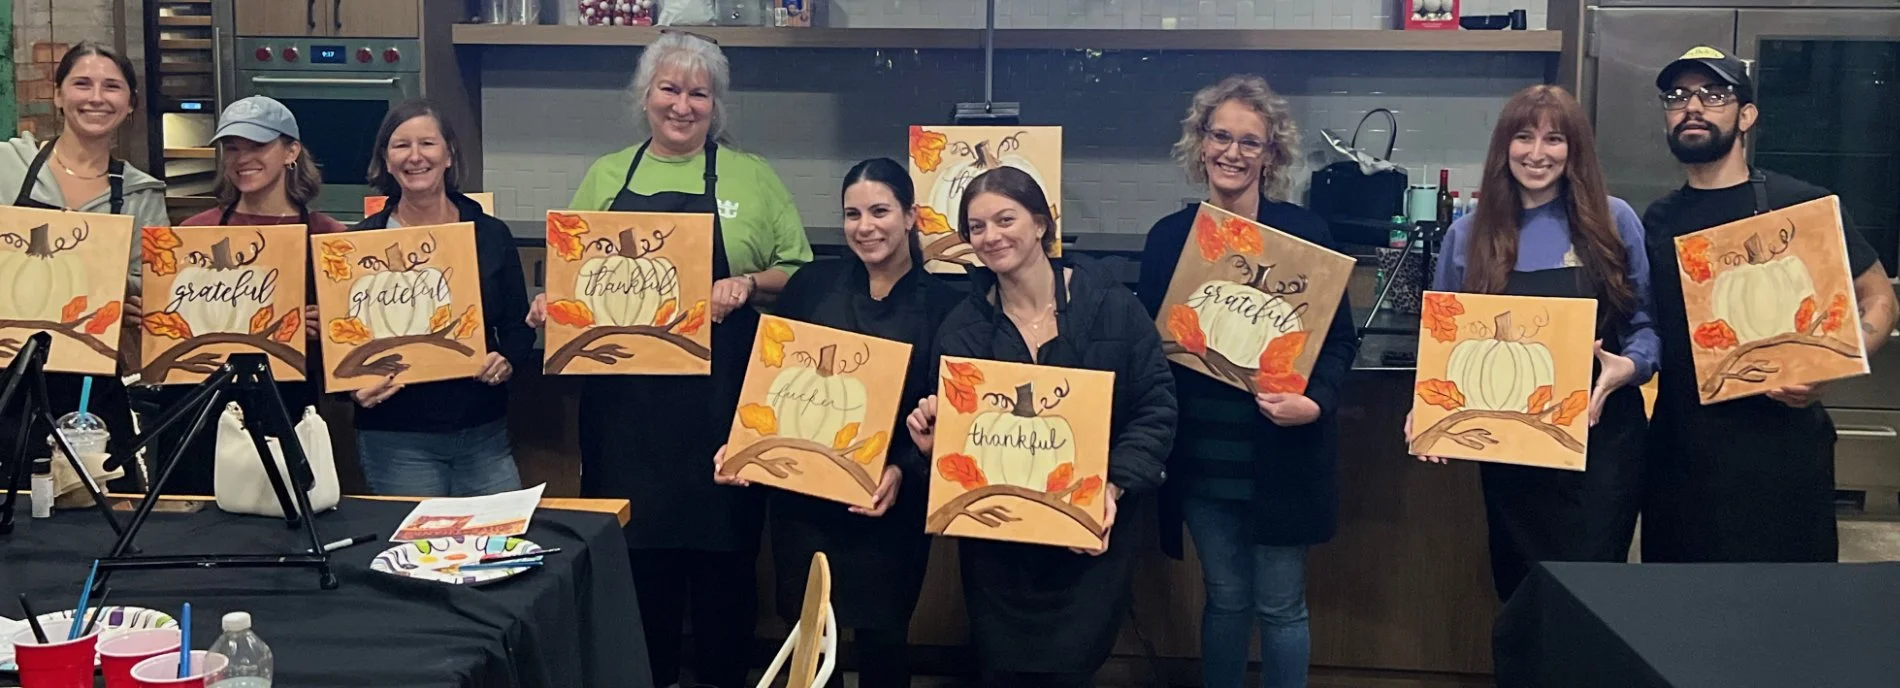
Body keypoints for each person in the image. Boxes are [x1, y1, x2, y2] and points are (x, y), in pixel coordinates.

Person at [523, 30, 812, 688]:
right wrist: (552, 304)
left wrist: (746, 285)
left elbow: (798, 272)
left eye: (699, 93)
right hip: (625, 409)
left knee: (726, 562)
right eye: (670, 89)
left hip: (721, 404)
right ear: (645, 97)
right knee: (634, 557)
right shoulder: (606, 174)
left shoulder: (752, 175)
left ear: (718, 104)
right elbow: (575, 275)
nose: (683, 105)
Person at [905, 167, 1176, 686]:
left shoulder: (1113, 308)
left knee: (1074, 665)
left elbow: (1156, 408)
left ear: (1041, 222)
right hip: (999, 553)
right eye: (977, 226)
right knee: (1003, 668)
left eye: (1005, 219)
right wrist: (931, 447)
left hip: (1088, 539)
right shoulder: (962, 329)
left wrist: (1113, 485)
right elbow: (957, 446)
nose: (992, 236)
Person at [1136, 75, 1359, 688]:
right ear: (1200, 143)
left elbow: (1340, 342)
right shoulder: (1168, 241)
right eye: (1221, 136)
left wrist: (1315, 403)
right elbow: (1147, 353)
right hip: (1203, 461)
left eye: (1250, 142)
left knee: (1283, 605)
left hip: (1281, 454)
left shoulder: (1305, 239)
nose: (1232, 153)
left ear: (1271, 155)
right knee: (1226, 597)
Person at [1640, 47, 1896, 563]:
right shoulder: (1656, 221)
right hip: (1682, 458)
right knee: (1681, 619)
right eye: (1678, 96)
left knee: (1788, 616)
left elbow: (1880, 298)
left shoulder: (1800, 207)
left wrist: (1832, 366)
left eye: (1714, 95)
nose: (1693, 106)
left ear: (1747, 115)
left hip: (1782, 456)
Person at [712, 158, 956, 688]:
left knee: (884, 639)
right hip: (802, 497)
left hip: (887, 501)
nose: (864, 226)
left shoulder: (947, 305)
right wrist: (743, 445)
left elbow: (950, 416)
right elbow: (769, 377)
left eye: (879, 211)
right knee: (808, 636)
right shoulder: (811, 286)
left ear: (911, 216)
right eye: (852, 214)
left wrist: (903, 470)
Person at [1409, 85, 1659, 601]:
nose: (1537, 153)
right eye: (1523, 137)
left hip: (1601, 439)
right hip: (1511, 447)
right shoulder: (1468, 234)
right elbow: (1444, 343)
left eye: (1554, 139)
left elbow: (1647, 328)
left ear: (1576, 151)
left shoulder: (1615, 221)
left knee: (1591, 594)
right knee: (1520, 589)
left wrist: (1629, 368)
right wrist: (1427, 410)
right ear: (1505, 147)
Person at [143, 96, 347, 494]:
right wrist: (148, 317)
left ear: (291, 151)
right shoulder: (194, 231)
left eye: (257, 146)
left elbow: (346, 345)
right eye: (232, 148)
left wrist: (324, 329)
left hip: (283, 409)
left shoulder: (327, 235)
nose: (242, 158)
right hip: (196, 408)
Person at [0, 42, 166, 486]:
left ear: (129, 104)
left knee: (102, 507)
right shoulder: (6, 166)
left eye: (112, 87)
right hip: (6, 373)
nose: (96, 97)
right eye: (82, 84)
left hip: (90, 378)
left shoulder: (140, 193)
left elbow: (147, 281)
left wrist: (138, 304)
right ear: (58, 95)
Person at [349, 99, 531, 497]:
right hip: (396, 436)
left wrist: (508, 360)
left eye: (427, 144)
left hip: (482, 432)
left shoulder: (490, 234)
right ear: (386, 158)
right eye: (401, 146)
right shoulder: (359, 244)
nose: (415, 157)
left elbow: (518, 327)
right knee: (416, 557)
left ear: (449, 153)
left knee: (499, 548)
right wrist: (351, 386)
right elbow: (342, 339)